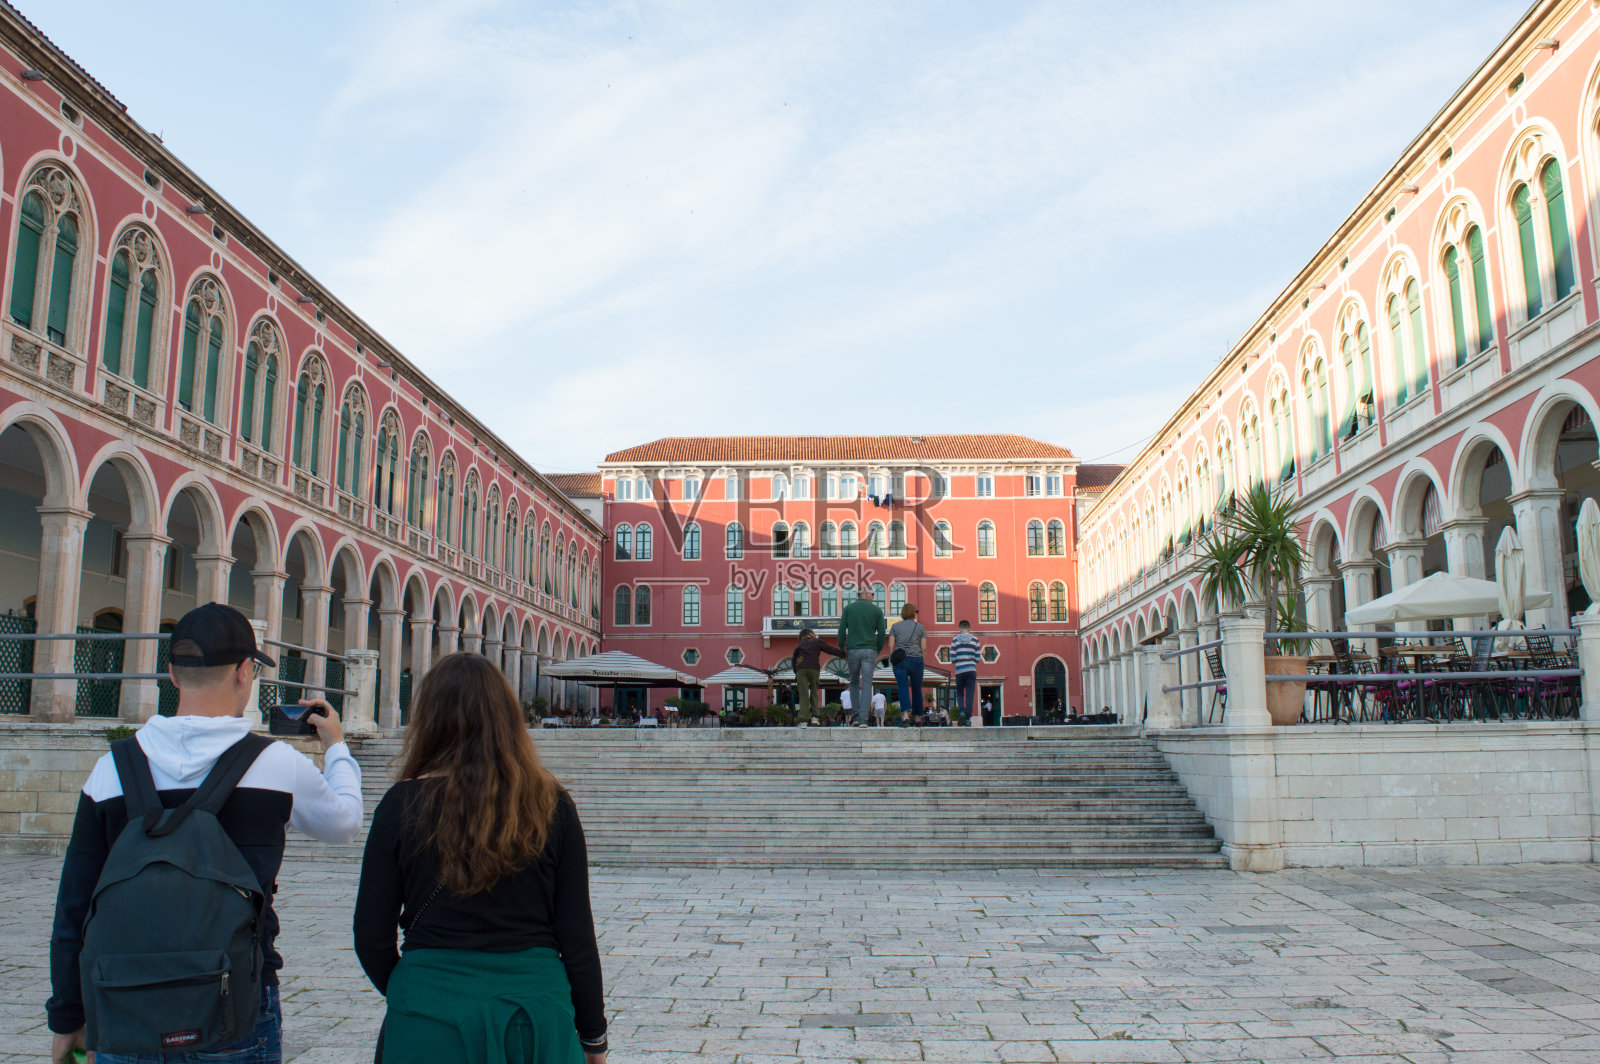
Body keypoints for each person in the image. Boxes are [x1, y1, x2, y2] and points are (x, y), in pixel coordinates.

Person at [47, 603, 364, 1064]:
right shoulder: (274, 764)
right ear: (243, 672)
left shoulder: (111, 770)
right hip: (234, 1007)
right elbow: (345, 824)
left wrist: (67, 1018)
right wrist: (336, 746)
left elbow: (73, 907)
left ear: (173, 675)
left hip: (123, 1008)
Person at [355, 652, 607, 1064]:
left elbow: (370, 936)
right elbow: (577, 936)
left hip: (429, 1013)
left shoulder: (400, 805)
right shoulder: (553, 806)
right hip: (536, 1013)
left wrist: (418, 994)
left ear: (430, 720)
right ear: (507, 719)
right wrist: (593, 1037)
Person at [837, 588, 885, 727]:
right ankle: (864, 718)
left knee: (853, 683)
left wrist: (841, 646)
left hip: (852, 649)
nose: (873, 597)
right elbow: (881, 632)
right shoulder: (876, 610)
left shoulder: (848, 609)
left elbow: (841, 630)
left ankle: (856, 717)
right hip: (870, 649)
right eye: (873, 594)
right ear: (866, 594)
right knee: (866, 684)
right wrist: (878, 648)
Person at [885, 603, 926, 725]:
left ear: (903, 613)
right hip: (917, 659)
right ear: (914, 613)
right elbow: (924, 648)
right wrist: (922, 661)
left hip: (900, 660)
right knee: (917, 689)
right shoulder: (920, 627)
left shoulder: (895, 627)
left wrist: (892, 659)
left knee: (902, 687)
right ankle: (918, 717)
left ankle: (905, 716)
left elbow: (890, 645)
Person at [792, 628, 843, 719]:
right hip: (813, 668)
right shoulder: (817, 642)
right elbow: (830, 650)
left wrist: (796, 672)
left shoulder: (799, 645)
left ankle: (804, 717)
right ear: (812, 634)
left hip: (801, 669)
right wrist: (844, 654)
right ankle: (815, 715)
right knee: (814, 691)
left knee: (803, 693)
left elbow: (793, 661)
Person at [949, 620, 980, 725]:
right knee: (970, 695)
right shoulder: (975, 640)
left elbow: (952, 657)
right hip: (971, 670)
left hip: (960, 670)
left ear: (959, 628)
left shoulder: (954, 640)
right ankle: (967, 719)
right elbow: (978, 658)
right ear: (969, 628)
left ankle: (961, 711)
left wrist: (958, 662)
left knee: (959, 693)